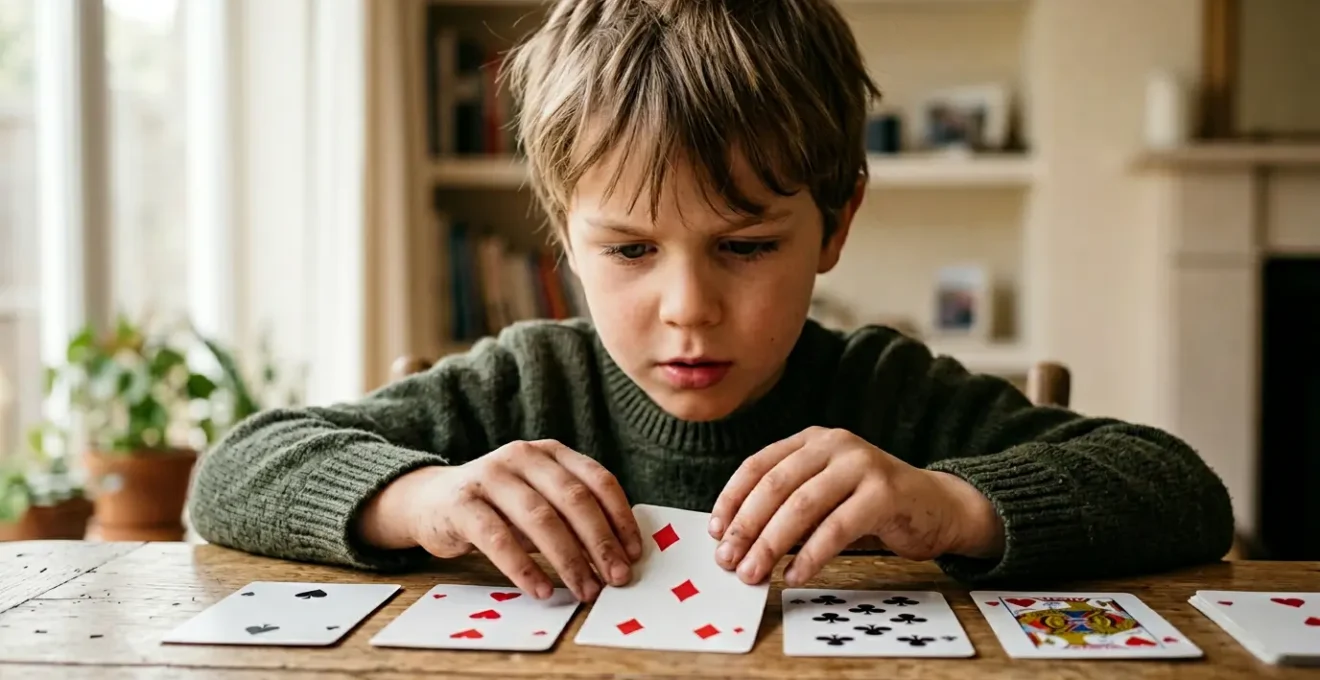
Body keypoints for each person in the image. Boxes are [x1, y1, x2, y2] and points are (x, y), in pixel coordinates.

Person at [187, 0, 1234, 604]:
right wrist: (421, 497)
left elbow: (1184, 491)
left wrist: (948, 504)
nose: (688, 306)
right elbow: (231, 471)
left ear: (835, 223)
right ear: (565, 236)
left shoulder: (885, 390)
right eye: (631, 248)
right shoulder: (522, 381)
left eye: (744, 245)